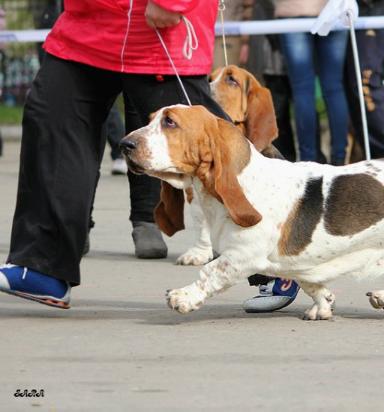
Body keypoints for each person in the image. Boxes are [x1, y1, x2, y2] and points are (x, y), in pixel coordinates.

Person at [0, 0, 229, 309]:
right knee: (51, 118)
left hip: (156, 28)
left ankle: (292, 246)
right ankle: (44, 266)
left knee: (218, 151)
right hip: (88, 24)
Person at [275, 0, 350, 165]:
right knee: (334, 88)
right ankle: (340, 158)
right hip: (336, 9)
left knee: (302, 90)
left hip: (293, 12)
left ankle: (308, 160)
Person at [344, 0, 384, 160]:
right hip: (348, 13)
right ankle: (374, 157)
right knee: (351, 85)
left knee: (365, 81)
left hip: (374, 11)